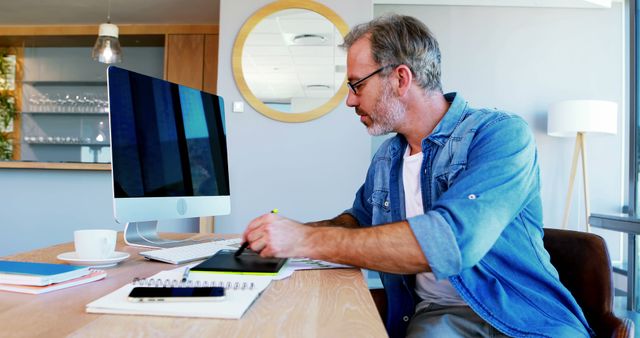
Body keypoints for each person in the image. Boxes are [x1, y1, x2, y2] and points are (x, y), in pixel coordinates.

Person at [241, 14, 593, 338]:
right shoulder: (387, 157)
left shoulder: (500, 134)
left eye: (356, 85)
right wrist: (286, 234)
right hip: (437, 317)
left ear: (400, 78)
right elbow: (357, 222)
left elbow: (451, 241)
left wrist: (302, 241)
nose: (350, 101)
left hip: (525, 318)